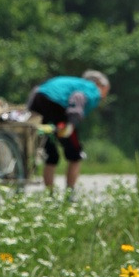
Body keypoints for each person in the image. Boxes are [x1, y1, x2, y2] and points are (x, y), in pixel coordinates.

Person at [27, 70, 110, 198]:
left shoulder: (72, 82)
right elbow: (78, 97)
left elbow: (38, 90)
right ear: (101, 85)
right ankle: (70, 194)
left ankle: (50, 195)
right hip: (57, 105)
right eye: (106, 90)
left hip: (37, 100)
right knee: (75, 153)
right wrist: (71, 122)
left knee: (51, 154)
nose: (104, 95)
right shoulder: (92, 88)